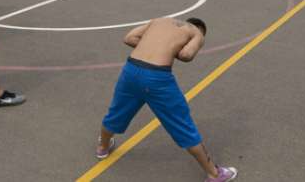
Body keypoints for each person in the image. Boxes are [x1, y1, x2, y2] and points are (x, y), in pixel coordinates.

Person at [96, 17, 237, 182]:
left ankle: (102, 148)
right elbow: (186, 54)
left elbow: (129, 38)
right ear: (200, 30)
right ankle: (214, 174)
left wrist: (154, 47)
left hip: (131, 70)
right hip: (157, 78)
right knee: (182, 124)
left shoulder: (160, 21)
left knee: (117, 111)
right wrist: (172, 50)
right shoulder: (196, 33)